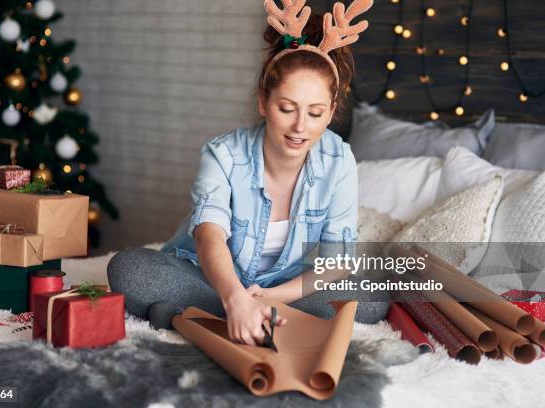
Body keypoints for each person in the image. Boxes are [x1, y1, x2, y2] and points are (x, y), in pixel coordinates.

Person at [107, 0, 387, 347]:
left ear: (331, 112)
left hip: (285, 285)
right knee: (129, 268)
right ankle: (235, 310)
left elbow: (335, 262)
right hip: (211, 278)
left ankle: (213, 313)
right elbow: (209, 236)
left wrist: (272, 298)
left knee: (373, 295)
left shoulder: (339, 160)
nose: (300, 126)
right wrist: (235, 297)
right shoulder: (223, 154)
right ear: (263, 102)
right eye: (287, 109)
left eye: (315, 113)